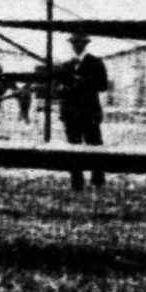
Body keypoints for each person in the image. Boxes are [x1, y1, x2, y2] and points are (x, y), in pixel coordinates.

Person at [57, 32, 109, 191]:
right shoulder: (66, 65)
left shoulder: (95, 62)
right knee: (73, 147)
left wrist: (82, 82)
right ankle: (76, 182)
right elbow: (59, 88)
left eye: (80, 43)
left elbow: (103, 85)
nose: (76, 46)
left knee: (94, 146)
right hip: (70, 113)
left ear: (85, 44)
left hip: (89, 112)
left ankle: (98, 180)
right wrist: (62, 89)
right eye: (74, 43)